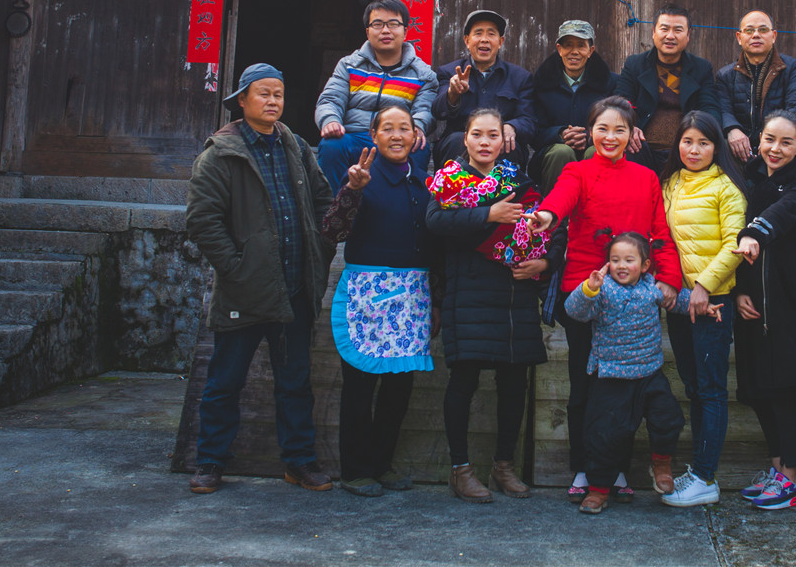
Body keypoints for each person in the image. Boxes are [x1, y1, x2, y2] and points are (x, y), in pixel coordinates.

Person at [186, 63, 335, 495]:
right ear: (243, 100)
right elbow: (202, 221)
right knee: (224, 382)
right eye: (264, 94)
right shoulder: (220, 154)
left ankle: (299, 462)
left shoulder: (297, 147)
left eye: (279, 95)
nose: (273, 102)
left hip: (293, 290)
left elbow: (323, 201)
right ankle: (210, 462)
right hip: (244, 292)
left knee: (295, 384)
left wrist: (317, 253)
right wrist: (236, 268)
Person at [528, 96, 685, 503]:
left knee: (628, 390)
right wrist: (545, 217)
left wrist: (668, 280)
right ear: (590, 131)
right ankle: (585, 466)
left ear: (633, 134)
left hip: (632, 297)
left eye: (619, 129)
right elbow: (559, 199)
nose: (610, 137)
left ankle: (616, 468)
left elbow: (659, 233)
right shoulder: (577, 170)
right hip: (586, 291)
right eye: (602, 128)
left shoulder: (646, 177)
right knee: (585, 386)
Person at [424, 108, 555, 502]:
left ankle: (503, 467)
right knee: (464, 380)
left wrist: (544, 261)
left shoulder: (517, 178)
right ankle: (460, 469)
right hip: (468, 288)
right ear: (464, 139)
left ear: (504, 140)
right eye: (477, 135)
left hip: (513, 292)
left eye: (492, 135)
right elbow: (435, 224)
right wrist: (488, 214)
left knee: (514, 383)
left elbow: (544, 221)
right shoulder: (449, 180)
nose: (485, 142)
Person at [319, 105, 434, 497]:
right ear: (373, 134)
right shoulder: (361, 178)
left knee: (399, 389)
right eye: (389, 128)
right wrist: (352, 191)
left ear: (416, 135)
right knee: (360, 386)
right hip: (370, 296)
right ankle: (355, 469)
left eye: (406, 127)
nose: (398, 135)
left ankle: (382, 463)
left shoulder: (424, 183)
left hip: (413, 297)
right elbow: (333, 230)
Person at [563, 233, 700, 515]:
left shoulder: (653, 288)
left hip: (649, 374)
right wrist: (588, 288)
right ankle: (599, 490)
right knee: (604, 435)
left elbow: (680, 302)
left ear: (646, 264)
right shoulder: (602, 290)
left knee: (668, 418)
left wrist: (705, 307)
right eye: (615, 260)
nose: (621, 266)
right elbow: (575, 311)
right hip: (611, 375)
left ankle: (661, 464)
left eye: (629, 260)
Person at [732, 111, 796, 511]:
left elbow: (779, 215)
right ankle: (776, 470)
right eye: (770, 139)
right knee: (759, 390)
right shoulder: (750, 178)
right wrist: (738, 291)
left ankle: (791, 480)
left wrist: (753, 233)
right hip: (752, 303)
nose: (775, 149)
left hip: (790, 303)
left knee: (786, 390)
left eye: (786, 142)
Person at [656, 111, 748, 507]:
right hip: (679, 302)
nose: (694, 150)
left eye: (704, 143)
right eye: (688, 141)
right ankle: (696, 472)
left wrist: (704, 287)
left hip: (712, 303)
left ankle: (705, 477)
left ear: (717, 147)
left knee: (710, 390)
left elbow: (735, 245)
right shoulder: (671, 182)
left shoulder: (727, 188)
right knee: (693, 387)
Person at [314, 0, 438, 189]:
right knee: (332, 146)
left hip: (394, 137)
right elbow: (330, 99)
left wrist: (418, 126)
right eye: (378, 24)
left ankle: (407, 208)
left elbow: (425, 110)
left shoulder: (423, 74)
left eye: (393, 24)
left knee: (417, 147)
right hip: (355, 136)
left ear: (405, 31)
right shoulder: (349, 65)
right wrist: (330, 120)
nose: (386, 30)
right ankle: (333, 208)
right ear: (367, 31)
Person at [615, 3, 723, 173]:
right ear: (653, 33)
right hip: (642, 147)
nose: (670, 36)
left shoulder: (701, 68)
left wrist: (698, 137)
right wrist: (627, 125)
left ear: (688, 36)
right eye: (664, 29)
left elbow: (710, 108)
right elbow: (621, 101)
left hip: (684, 150)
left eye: (678, 30)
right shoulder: (635, 65)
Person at [432, 9, 536, 166]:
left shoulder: (520, 77)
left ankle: (506, 191)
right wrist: (452, 94)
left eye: (491, 34)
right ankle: (457, 190)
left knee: (508, 144)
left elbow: (529, 121)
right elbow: (438, 111)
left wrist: (511, 126)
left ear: (501, 42)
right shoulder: (449, 71)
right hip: (459, 143)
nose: (484, 40)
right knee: (456, 140)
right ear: (467, 41)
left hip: (501, 145)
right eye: (478, 33)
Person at [529, 19, 616, 191]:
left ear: (590, 51)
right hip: (551, 156)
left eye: (581, 46)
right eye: (568, 45)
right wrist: (560, 133)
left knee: (596, 153)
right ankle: (555, 215)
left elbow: (617, 125)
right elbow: (534, 131)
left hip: (594, 146)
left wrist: (589, 136)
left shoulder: (610, 83)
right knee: (562, 152)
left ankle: (595, 214)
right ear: (559, 49)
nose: (574, 52)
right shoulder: (541, 83)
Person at [716, 9, 796, 163]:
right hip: (740, 147)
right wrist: (732, 129)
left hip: (778, 145)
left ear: (773, 36)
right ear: (739, 38)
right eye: (749, 30)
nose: (756, 35)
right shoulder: (725, 75)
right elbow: (723, 109)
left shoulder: (792, 68)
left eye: (763, 30)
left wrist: (771, 138)